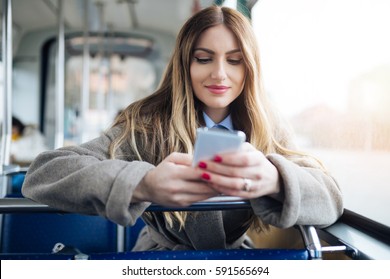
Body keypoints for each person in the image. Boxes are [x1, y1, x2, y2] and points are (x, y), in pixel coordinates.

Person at [22, 6, 343, 251]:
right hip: (157, 262)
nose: (219, 74)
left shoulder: (266, 126)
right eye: (204, 59)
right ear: (185, 65)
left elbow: (330, 198)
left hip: (237, 263)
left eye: (234, 61)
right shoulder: (145, 123)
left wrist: (275, 178)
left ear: (250, 68)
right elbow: (44, 173)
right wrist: (143, 183)